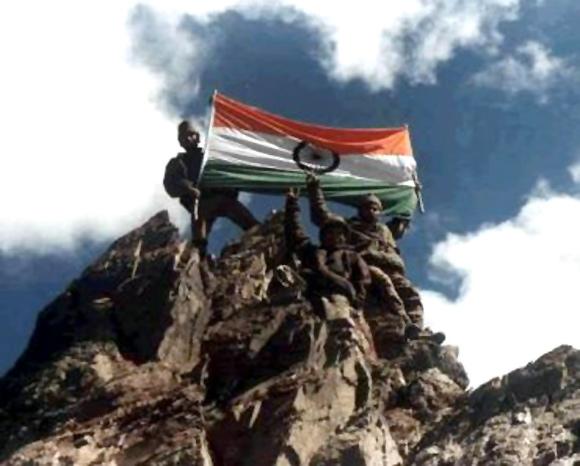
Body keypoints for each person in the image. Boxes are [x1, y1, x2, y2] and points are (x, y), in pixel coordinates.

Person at [306, 175, 424, 329]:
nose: (371, 211)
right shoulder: (350, 227)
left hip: (392, 269)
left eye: (375, 208)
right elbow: (321, 215)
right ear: (360, 210)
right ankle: (403, 321)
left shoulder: (385, 230)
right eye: (367, 207)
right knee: (383, 284)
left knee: (411, 294)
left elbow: (403, 217)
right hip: (364, 268)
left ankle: (417, 330)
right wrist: (315, 189)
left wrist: (412, 195)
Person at [163, 120, 259, 252]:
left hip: (221, 197)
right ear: (180, 141)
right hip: (199, 203)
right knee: (199, 231)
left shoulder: (211, 156)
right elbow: (170, 184)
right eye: (184, 136)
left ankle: (259, 233)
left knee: (241, 214)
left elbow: (228, 174)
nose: (189, 138)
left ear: (198, 137)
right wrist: (188, 188)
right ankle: (198, 255)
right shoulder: (178, 162)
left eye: (192, 134)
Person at [284, 188, 370, 309]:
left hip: (339, 297)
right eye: (330, 233)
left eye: (339, 233)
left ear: (345, 238)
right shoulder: (312, 251)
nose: (334, 236)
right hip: (309, 296)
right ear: (323, 236)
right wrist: (292, 205)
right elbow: (295, 232)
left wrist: (356, 298)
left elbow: (362, 279)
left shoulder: (351, 256)